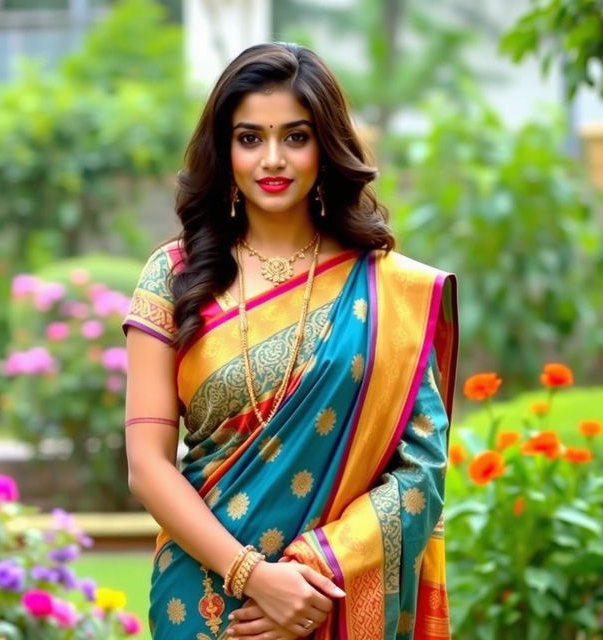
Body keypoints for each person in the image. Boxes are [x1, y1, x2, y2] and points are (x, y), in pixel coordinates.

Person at [123, 42, 458, 640]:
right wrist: (254, 576)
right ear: (223, 151)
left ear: (324, 148)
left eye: (295, 137)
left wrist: (309, 579)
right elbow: (148, 466)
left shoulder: (387, 291)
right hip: (202, 600)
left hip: (327, 595)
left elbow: (421, 472)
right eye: (250, 137)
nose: (272, 159)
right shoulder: (172, 277)